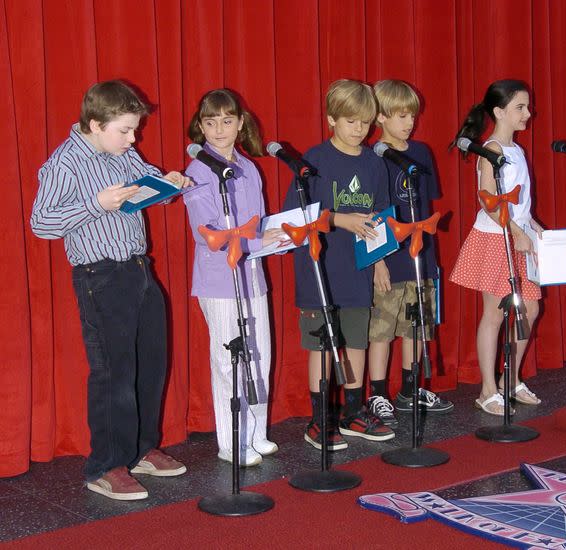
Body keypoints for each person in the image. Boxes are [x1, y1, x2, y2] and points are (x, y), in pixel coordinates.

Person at [31, 80, 188, 501]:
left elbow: (147, 182)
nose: (133, 139)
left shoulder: (123, 152)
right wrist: (95, 205)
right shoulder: (64, 164)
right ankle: (106, 465)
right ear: (95, 124)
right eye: (125, 131)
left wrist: (168, 185)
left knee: (151, 364)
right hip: (99, 277)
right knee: (113, 374)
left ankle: (138, 451)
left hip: (138, 269)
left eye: (135, 130)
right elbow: (41, 223)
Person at [283, 79, 395, 450]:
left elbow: (379, 216)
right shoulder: (312, 163)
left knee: (357, 341)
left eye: (364, 123)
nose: (358, 130)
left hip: (357, 269)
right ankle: (319, 420)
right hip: (320, 269)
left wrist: (379, 262)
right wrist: (339, 220)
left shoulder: (375, 164)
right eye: (350, 122)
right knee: (322, 345)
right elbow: (295, 219)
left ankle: (351, 412)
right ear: (331, 119)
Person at [183, 89, 283, 467]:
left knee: (259, 356)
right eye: (211, 122)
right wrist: (258, 239)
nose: (219, 129)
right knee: (229, 361)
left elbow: (257, 220)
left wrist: (276, 236)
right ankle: (232, 441)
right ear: (201, 127)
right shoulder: (197, 171)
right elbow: (205, 232)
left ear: (241, 124)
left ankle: (257, 432)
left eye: (227, 120)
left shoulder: (248, 167)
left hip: (253, 274)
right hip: (220, 281)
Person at [449, 79, 543, 416]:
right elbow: (489, 201)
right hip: (495, 237)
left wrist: (533, 226)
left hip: (517, 236)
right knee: (496, 313)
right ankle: (487, 388)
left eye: (527, 106)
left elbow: (520, 201)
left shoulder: (517, 150)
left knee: (529, 309)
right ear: (499, 112)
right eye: (520, 107)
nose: (528, 113)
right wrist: (516, 230)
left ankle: (510, 379)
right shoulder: (491, 151)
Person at [367, 80, 454, 427]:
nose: (408, 123)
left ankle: (409, 389)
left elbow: (426, 202)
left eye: (412, 116)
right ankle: (376, 393)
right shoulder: (373, 158)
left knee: (417, 327)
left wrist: (430, 260)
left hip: (422, 255)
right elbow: (371, 213)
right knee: (382, 329)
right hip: (390, 256)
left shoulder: (420, 152)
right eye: (400, 116)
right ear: (381, 117)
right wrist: (378, 261)